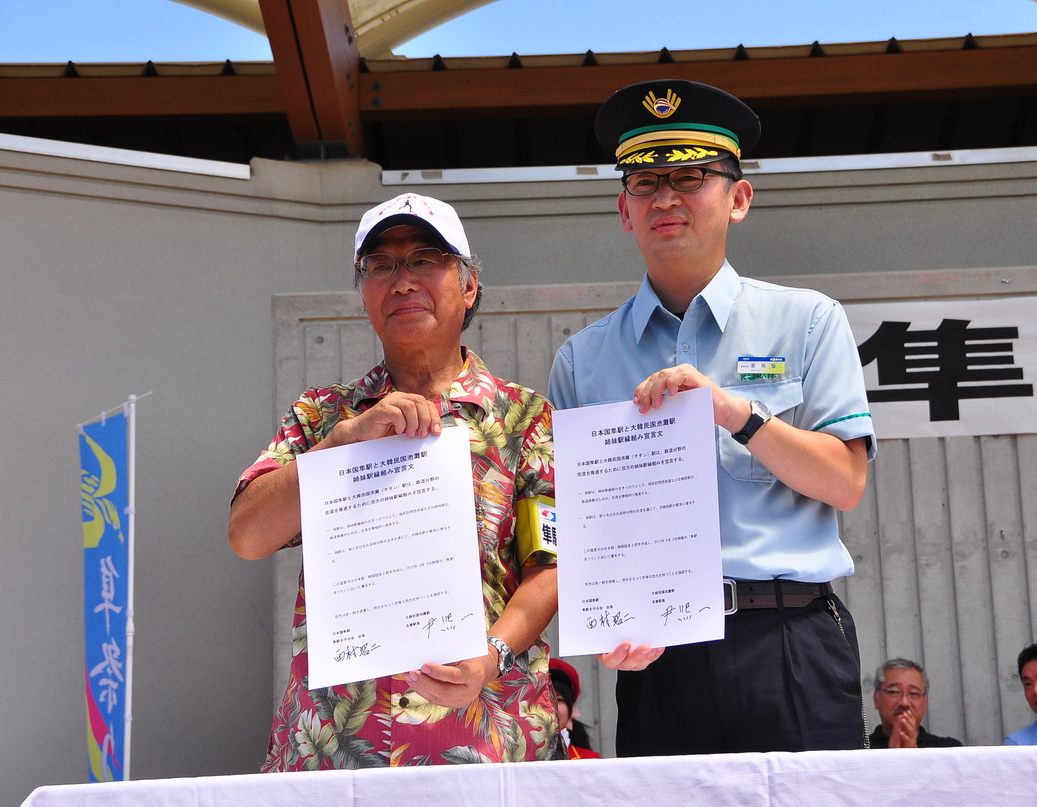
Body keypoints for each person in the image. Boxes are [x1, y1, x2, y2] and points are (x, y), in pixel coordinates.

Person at [548, 79, 876, 756]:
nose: (665, 197)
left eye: (692, 176)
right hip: (658, 654)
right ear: (623, 209)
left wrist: (735, 412)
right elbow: (582, 524)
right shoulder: (582, 360)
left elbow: (845, 482)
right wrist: (609, 622)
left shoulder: (809, 319)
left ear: (739, 198)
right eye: (645, 182)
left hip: (789, 641)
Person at [229, 193, 562, 769]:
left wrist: (490, 657)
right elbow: (247, 534)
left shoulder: (524, 417)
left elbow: (549, 566)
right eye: (381, 266)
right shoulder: (323, 414)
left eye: (426, 259)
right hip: (336, 741)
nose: (402, 280)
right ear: (364, 296)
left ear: (469, 285)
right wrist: (342, 444)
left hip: (489, 736)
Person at [869, 659, 962, 749]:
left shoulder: (948, 749)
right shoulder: (859, 749)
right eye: (894, 692)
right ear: (876, 699)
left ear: (925, 703)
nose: (904, 703)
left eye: (914, 693)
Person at [549, 658, 602, 759]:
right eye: (543, 698)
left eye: (559, 699)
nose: (551, 707)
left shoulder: (589, 761)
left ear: (571, 710)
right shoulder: (512, 762)